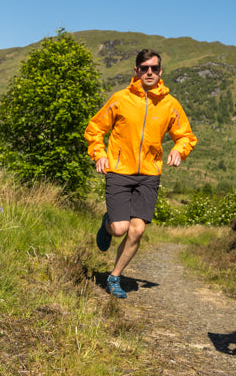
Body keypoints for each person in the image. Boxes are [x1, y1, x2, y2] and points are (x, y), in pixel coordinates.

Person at [84, 48, 196, 297]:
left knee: (138, 229)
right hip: (119, 171)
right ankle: (107, 224)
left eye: (154, 68)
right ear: (136, 71)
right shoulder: (120, 98)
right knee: (120, 228)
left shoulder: (170, 104)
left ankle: (114, 277)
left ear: (160, 72)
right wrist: (99, 154)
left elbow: (185, 136)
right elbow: (94, 128)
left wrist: (180, 150)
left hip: (149, 175)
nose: (149, 72)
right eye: (144, 68)